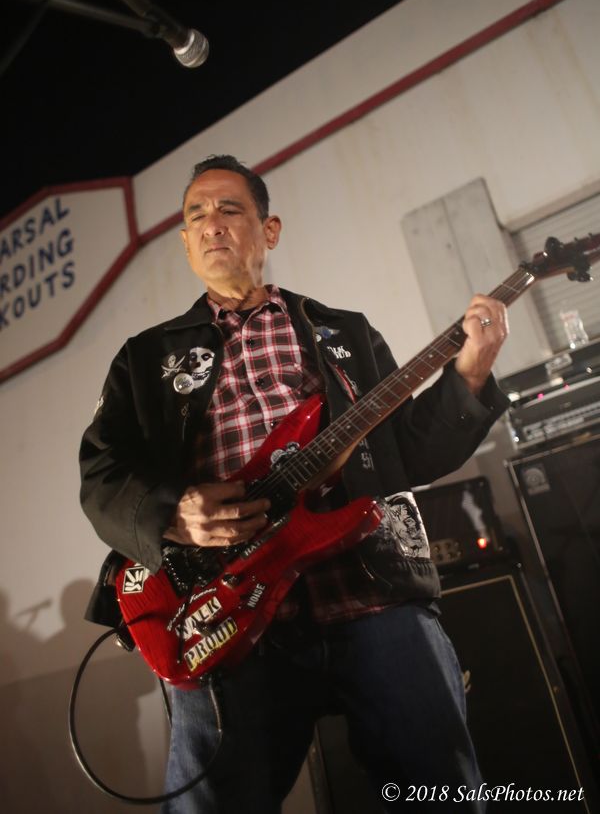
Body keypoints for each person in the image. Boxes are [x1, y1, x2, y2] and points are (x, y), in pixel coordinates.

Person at [80, 154, 509, 813]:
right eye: (197, 216)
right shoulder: (145, 358)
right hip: (225, 618)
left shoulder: (345, 331)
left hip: (372, 590)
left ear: (269, 230)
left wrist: (471, 376)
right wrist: (173, 513)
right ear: (187, 243)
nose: (212, 224)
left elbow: (404, 453)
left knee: (444, 792)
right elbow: (102, 473)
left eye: (230, 209)